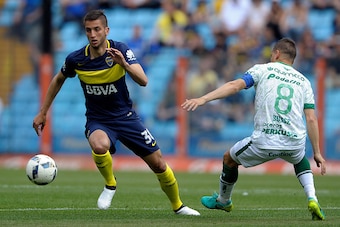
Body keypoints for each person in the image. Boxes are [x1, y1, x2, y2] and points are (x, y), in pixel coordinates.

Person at [32, 9, 199, 216]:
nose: (92, 35)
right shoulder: (76, 59)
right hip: (98, 120)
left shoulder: (119, 50)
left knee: (159, 163)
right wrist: (43, 112)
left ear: (106, 30)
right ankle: (110, 184)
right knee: (99, 144)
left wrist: (124, 64)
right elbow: (58, 79)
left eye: (97, 30)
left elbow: (143, 80)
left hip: (126, 117)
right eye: (88, 30)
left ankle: (178, 206)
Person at [181, 38, 326, 220]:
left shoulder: (262, 69)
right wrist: (318, 152)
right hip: (295, 141)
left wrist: (202, 99)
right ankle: (312, 198)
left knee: (229, 159)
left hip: (266, 139)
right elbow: (311, 118)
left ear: (277, 54)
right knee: (299, 159)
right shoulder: (304, 81)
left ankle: (223, 200)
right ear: (293, 60)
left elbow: (235, 86)